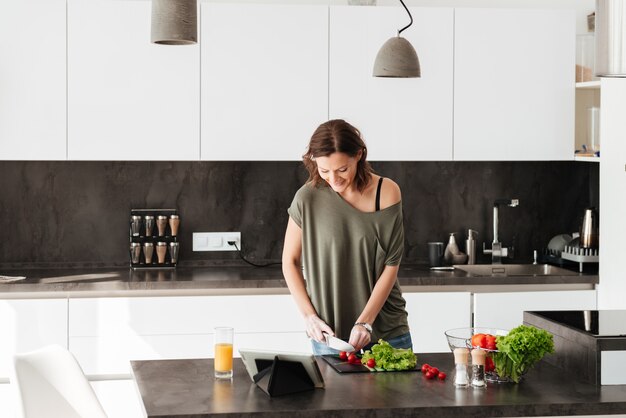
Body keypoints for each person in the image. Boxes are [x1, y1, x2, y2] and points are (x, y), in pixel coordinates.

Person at [282, 119, 411, 355]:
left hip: (387, 332)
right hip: (330, 336)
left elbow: (391, 265)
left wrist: (365, 322)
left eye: (342, 169)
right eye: (324, 170)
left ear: (359, 155)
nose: (334, 179)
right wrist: (309, 317)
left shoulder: (386, 191)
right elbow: (289, 261)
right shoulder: (307, 198)